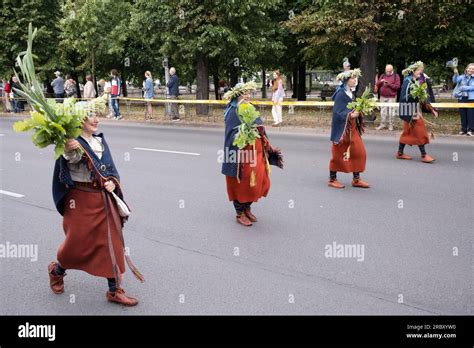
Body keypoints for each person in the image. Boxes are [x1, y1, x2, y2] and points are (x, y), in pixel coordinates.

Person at [50, 108, 144, 306]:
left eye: (96, 114)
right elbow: (72, 158)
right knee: (77, 244)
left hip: (103, 198)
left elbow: (109, 169)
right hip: (80, 200)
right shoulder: (71, 142)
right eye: (91, 115)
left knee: (113, 242)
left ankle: (114, 290)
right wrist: (68, 148)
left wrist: (112, 182)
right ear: (80, 119)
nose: (96, 119)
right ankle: (57, 271)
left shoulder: (100, 140)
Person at [221, 82, 283, 226]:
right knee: (241, 182)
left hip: (255, 153)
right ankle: (240, 213)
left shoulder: (249, 108)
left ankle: (247, 208)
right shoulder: (233, 111)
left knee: (257, 181)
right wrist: (245, 132)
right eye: (245, 93)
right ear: (238, 94)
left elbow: (260, 128)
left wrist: (264, 142)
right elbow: (232, 135)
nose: (248, 96)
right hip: (241, 156)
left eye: (249, 93)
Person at [328, 68, 369, 189]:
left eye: (355, 78)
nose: (355, 80)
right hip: (343, 130)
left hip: (352, 128)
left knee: (359, 152)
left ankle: (356, 179)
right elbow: (338, 113)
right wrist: (350, 115)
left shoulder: (351, 93)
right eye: (352, 78)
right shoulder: (341, 94)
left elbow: (350, 109)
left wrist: (358, 111)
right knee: (338, 154)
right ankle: (332, 179)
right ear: (346, 80)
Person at [396, 61, 438, 163]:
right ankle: (424, 155)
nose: (421, 72)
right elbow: (404, 98)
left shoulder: (418, 81)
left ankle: (400, 153)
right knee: (421, 131)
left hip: (415, 110)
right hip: (410, 111)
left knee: (407, 132)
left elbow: (423, 98)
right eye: (419, 70)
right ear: (413, 71)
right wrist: (415, 97)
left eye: (421, 70)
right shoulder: (407, 81)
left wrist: (431, 109)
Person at [375, 64, 401, 131]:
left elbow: (397, 87)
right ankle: (383, 124)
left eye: (389, 71)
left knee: (391, 111)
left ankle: (391, 125)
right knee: (383, 111)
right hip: (382, 96)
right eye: (386, 71)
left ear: (392, 70)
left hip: (392, 97)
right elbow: (377, 84)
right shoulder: (383, 75)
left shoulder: (396, 76)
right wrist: (380, 81)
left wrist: (388, 84)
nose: (388, 72)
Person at [452, 63, 474, 136]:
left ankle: (470, 130)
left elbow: (473, 87)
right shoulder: (461, 77)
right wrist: (455, 73)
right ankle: (463, 129)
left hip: (471, 98)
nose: (471, 70)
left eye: (472, 69)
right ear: (466, 69)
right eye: (470, 68)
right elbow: (455, 80)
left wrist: (463, 88)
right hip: (462, 98)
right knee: (463, 114)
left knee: (471, 115)